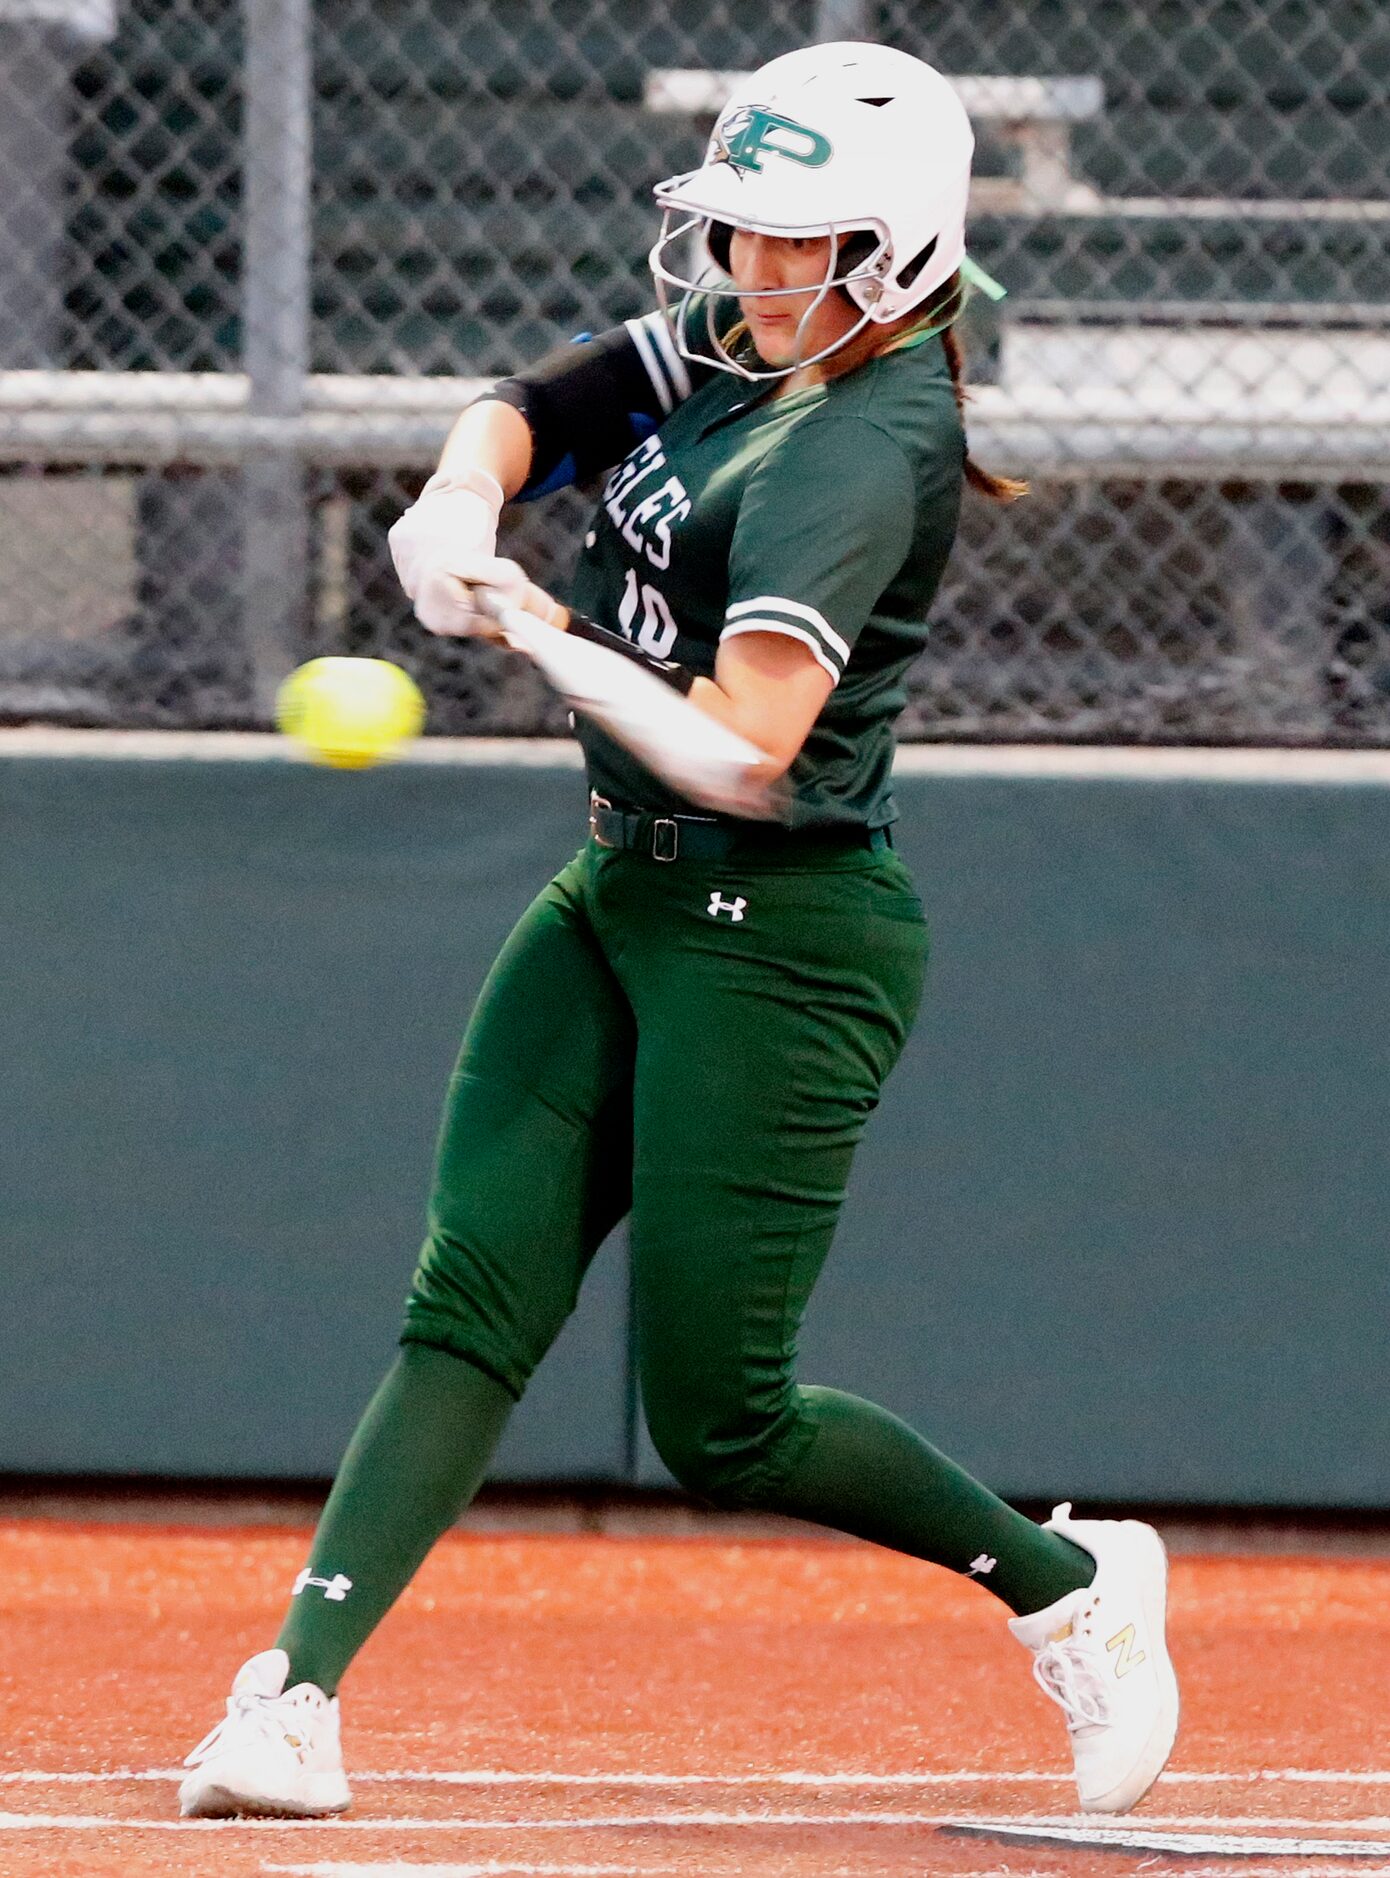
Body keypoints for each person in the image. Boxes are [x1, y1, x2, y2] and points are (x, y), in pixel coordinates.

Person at [179, 41, 1178, 1822]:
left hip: (780, 934)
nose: (752, 268)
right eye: (740, 232)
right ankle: (291, 1697)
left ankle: (1068, 1586)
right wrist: (456, 498)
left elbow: (741, 751)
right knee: (469, 1300)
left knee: (723, 1420)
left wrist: (550, 643)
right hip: (615, 889)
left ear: (900, 252)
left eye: (799, 243)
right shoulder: (741, 334)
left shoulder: (865, 442)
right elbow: (537, 403)